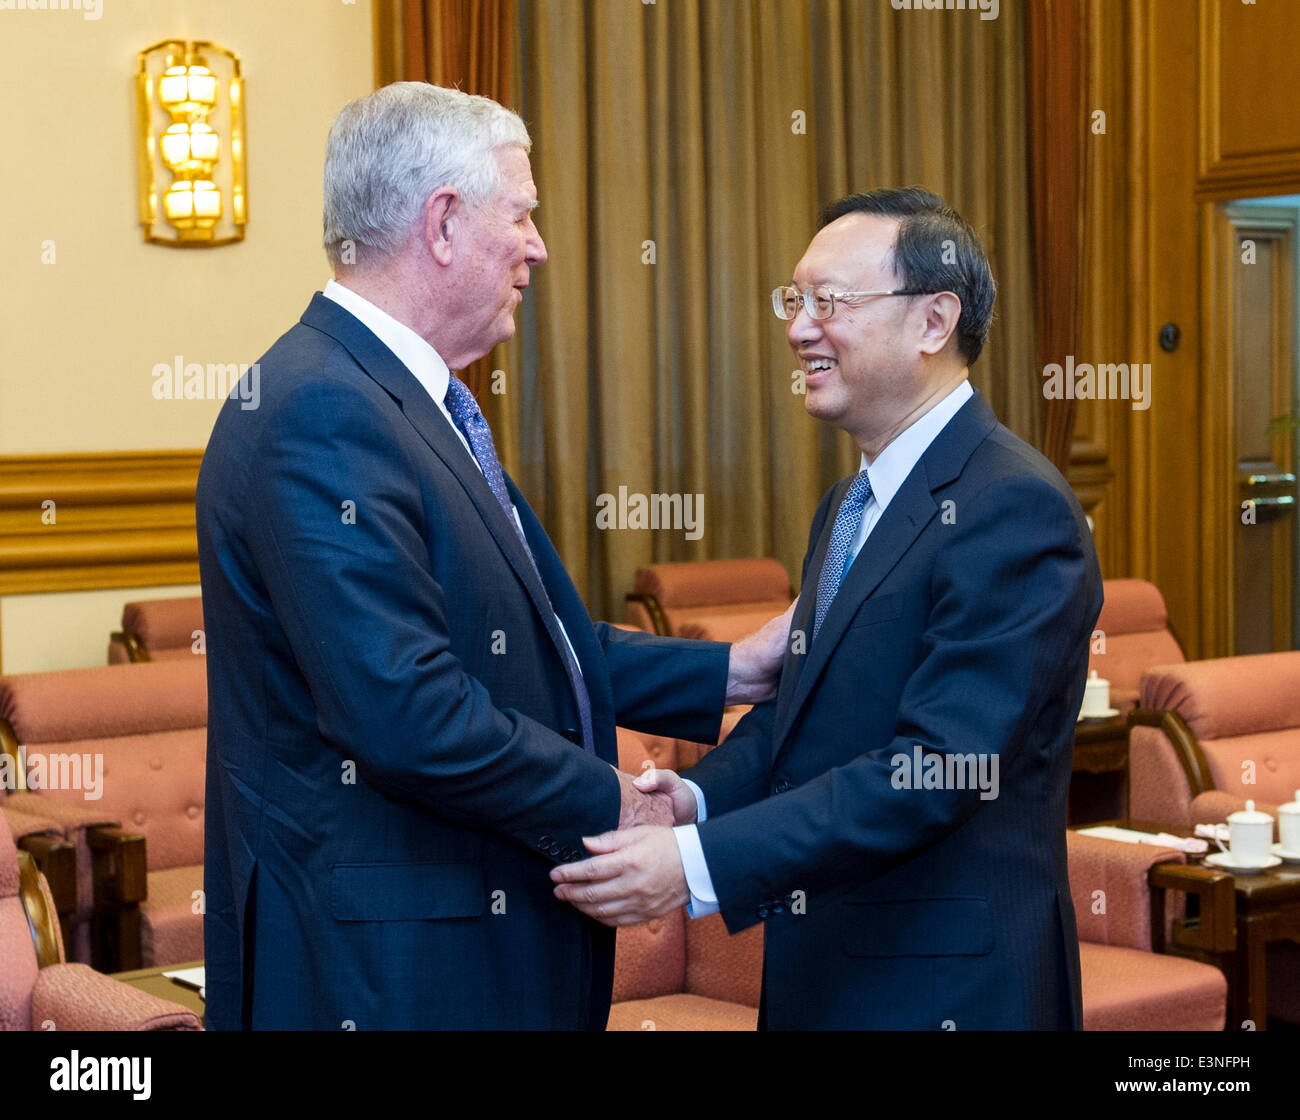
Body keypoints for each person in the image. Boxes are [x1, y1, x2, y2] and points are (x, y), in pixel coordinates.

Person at [197, 82, 788, 1030]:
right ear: (442, 222)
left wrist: (732, 668)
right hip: (391, 969)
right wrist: (615, 804)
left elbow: (519, 643)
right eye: (522, 214)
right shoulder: (324, 410)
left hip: (450, 945)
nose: (539, 246)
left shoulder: (392, 395)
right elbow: (405, 712)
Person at [552, 188, 1103, 1030]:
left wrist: (696, 864)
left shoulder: (1013, 506)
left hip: (947, 985)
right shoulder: (850, 506)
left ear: (933, 321)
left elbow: (939, 767)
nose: (799, 327)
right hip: (827, 973)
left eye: (830, 302)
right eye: (793, 300)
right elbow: (797, 722)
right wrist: (692, 802)